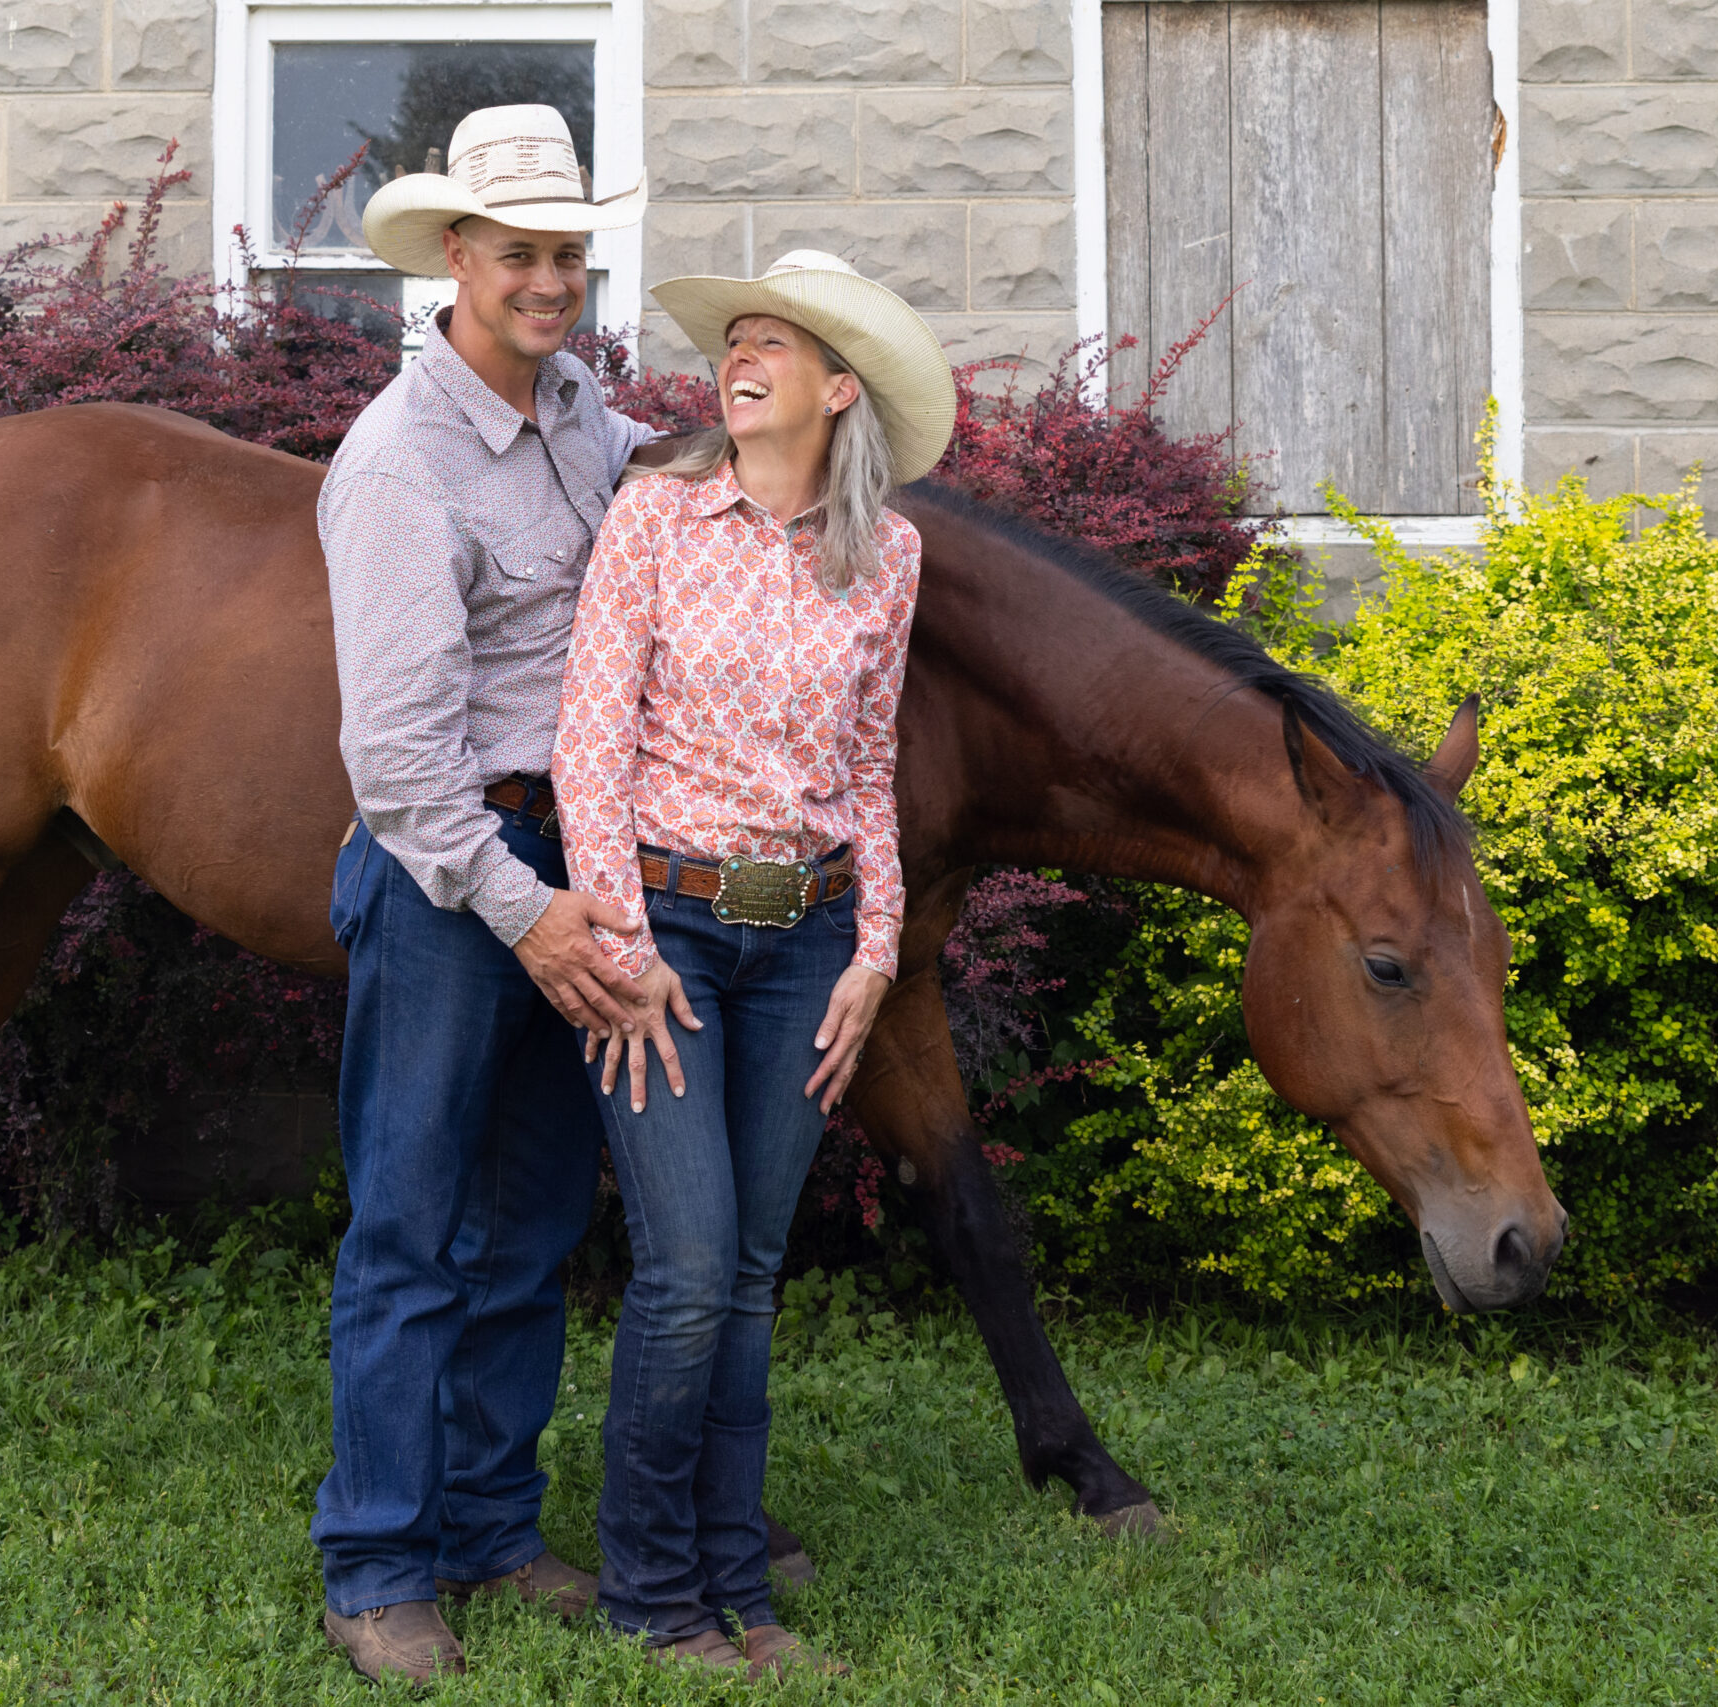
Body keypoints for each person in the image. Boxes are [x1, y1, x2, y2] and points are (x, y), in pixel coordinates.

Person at [314, 103, 692, 1686]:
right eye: (519, 254)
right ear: (452, 260)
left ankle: (487, 1523)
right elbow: (399, 764)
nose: (549, 281)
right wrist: (526, 911)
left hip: (580, 863)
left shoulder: (585, 419)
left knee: (534, 1220)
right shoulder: (401, 464)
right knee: (412, 1226)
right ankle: (380, 1563)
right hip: (449, 880)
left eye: (567, 254)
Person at [552, 251, 956, 1674]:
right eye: (736, 340)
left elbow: (868, 765)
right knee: (689, 1264)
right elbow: (587, 748)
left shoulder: (886, 558)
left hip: (811, 950)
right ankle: (652, 1598)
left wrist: (879, 951)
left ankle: (745, 1594)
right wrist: (625, 945)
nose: (742, 358)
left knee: (755, 1269)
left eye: (776, 345)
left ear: (838, 391)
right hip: (665, 936)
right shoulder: (655, 515)